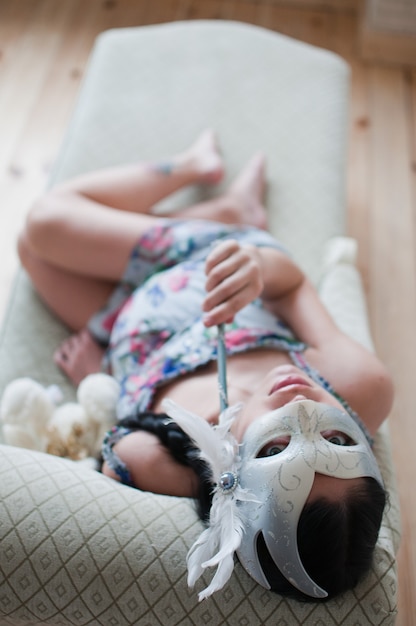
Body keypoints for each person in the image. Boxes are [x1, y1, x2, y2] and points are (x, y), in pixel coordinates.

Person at [18, 130, 393, 601]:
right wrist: (256, 265)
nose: (302, 408)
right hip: (208, 270)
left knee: (31, 251)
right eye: (337, 438)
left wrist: (101, 378)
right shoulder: (360, 385)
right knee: (44, 222)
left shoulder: (167, 462)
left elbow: (126, 441)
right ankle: (197, 172)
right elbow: (293, 286)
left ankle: (221, 209)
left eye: (277, 446)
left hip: (127, 332)